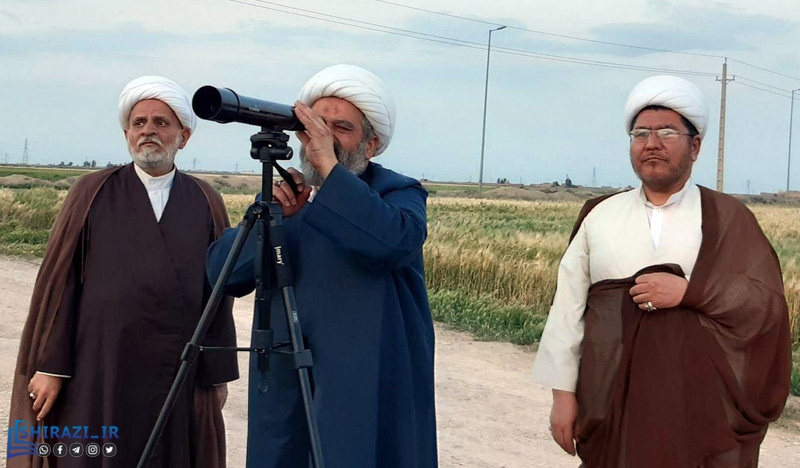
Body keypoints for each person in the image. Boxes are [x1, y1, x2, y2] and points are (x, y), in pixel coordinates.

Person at [531, 75, 791, 467]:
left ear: (695, 146)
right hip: (611, 401)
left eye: (667, 132)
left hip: (701, 409)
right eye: (640, 134)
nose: (651, 144)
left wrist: (690, 293)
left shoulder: (727, 217)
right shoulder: (599, 215)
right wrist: (562, 397)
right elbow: (567, 312)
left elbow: (764, 305)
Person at [206, 64, 438, 467]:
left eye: (341, 129)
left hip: (367, 377)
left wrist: (330, 172)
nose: (324, 138)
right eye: (317, 126)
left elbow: (392, 242)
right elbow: (221, 275)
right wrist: (269, 220)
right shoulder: (285, 198)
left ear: (371, 145)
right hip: (287, 377)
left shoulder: (397, 193)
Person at [8, 76, 239, 468]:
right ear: (127, 134)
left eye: (161, 122)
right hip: (100, 363)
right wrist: (50, 367)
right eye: (139, 122)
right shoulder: (91, 192)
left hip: (176, 369)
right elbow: (62, 284)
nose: (148, 130)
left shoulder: (206, 199)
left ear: (184, 137)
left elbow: (218, 296)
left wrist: (216, 374)